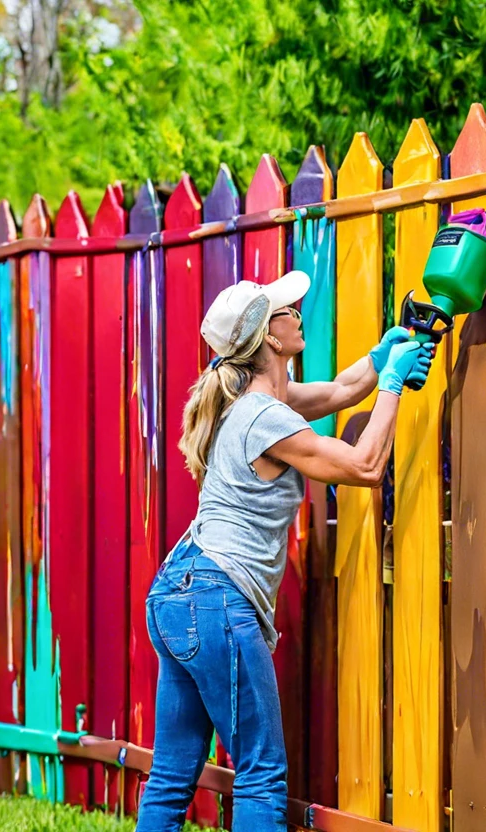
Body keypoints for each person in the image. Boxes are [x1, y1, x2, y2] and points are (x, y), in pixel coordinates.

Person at [135, 270, 435, 831]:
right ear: (270, 337)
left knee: (174, 773)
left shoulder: (252, 399)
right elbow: (364, 467)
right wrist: (394, 385)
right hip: (217, 597)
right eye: (286, 310)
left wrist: (379, 359)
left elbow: (339, 392)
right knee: (260, 772)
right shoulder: (264, 417)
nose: (298, 314)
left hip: (179, 589)